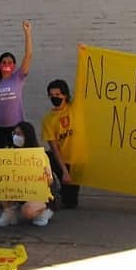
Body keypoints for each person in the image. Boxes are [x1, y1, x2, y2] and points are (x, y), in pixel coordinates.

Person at [0, 121, 56, 227]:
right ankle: (8, 214)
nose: (16, 137)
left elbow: (50, 182)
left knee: (27, 211)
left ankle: (44, 212)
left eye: (19, 134)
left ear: (27, 136)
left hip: (39, 194)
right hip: (19, 191)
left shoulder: (40, 155)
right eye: (14, 134)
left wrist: (46, 177)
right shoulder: (9, 152)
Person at [0, 20, 33, 148]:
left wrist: (27, 33)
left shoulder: (18, 77)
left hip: (15, 127)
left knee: (15, 156)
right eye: (4, 62)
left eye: (10, 62)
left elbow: (28, 55)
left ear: (14, 65)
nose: (6, 64)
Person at [41, 78, 79, 208]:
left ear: (65, 95)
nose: (55, 98)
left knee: (71, 202)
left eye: (58, 94)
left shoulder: (74, 108)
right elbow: (54, 148)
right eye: (51, 95)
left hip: (78, 160)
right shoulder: (48, 120)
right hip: (63, 161)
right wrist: (64, 172)